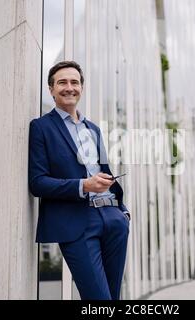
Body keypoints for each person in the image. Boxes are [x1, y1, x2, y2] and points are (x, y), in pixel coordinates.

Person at [28, 61, 130, 300]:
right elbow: (37, 182)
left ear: (81, 88)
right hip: (76, 224)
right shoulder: (41, 127)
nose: (69, 87)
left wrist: (122, 212)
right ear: (51, 89)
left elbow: (105, 170)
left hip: (114, 219)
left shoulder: (93, 129)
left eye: (74, 82)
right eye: (62, 82)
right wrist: (83, 186)